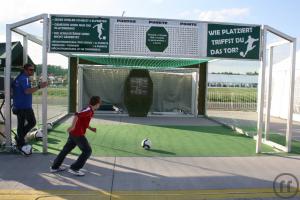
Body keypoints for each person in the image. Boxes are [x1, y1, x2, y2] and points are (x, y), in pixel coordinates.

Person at [50, 96, 101, 176]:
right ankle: (74, 168)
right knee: (87, 151)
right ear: (97, 104)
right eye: (99, 103)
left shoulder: (89, 110)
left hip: (74, 134)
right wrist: (73, 126)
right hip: (77, 134)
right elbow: (77, 115)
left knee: (65, 150)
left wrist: (91, 128)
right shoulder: (88, 110)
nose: (99, 105)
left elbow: (84, 122)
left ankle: (54, 167)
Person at [11, 63, 47, 152]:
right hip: (24, 107)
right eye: (30, 70)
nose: (32, 71)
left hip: (18, 106)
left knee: (21, 125)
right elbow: (27, 91)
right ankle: (19, 139)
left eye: (33, 70)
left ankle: (20, 142)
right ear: (25, 70)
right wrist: (39, 86)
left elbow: (13, 89)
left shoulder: (19, 78)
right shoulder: (24, 78)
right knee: (32, 122)